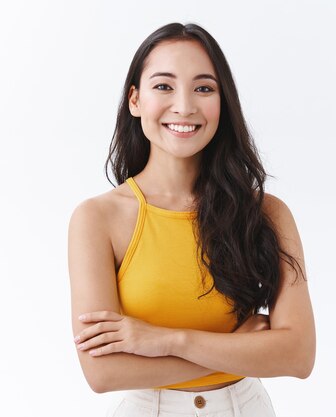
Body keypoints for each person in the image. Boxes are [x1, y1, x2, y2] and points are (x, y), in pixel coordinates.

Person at [67, 22, 316, 417]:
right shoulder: (97, 218)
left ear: (223, 102)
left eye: (203, 88)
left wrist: (169, 341)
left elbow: (297, 355)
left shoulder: (266, 213)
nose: (184, 106)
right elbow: (103, 372)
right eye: (163, 86)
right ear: (135, 100)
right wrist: (238, 348)